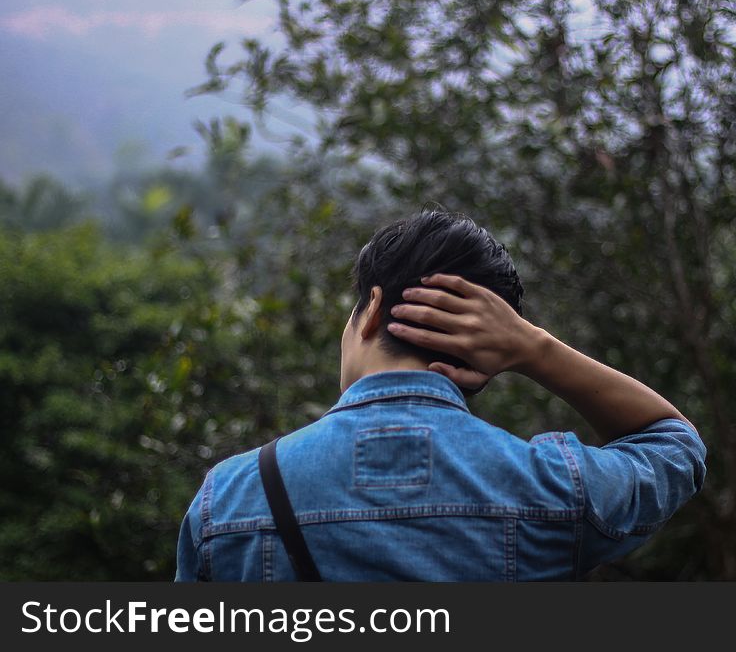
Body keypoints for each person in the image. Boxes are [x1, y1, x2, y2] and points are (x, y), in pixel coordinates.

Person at [175, 204, 707, 581]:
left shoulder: (230, 498)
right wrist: (535, 349)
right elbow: (673, 444)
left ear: (372, 310)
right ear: (487, 352)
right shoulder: (552, 487)